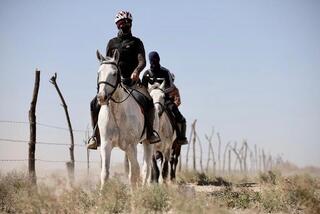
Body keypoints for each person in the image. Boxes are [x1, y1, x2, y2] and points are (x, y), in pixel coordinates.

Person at [87, 11, 161, 149]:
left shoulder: (136, 42)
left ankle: (151, 133)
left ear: (131, 24)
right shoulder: (111, 43)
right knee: (93, 104)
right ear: (117, 26)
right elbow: (107, 63)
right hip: (115, 84)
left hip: (132, 83)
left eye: (126, 23)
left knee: (149, 101)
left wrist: (136, 71)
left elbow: (142, 61)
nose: (124, 26)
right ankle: (95, 136)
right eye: (121, 24)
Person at [142, 51, 188, 145]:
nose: (154, 61)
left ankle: (181, 137)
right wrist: (151, 93)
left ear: (159, 59)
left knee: (180, 117)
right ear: (150, 61)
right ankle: (142, 135)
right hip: (150, 100)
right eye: (152, 60)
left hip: (165, 99)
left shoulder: (165, 72)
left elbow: (171, 86)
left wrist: (160, 92)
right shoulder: (146, 74)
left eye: (156, 59)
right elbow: (143, 88)